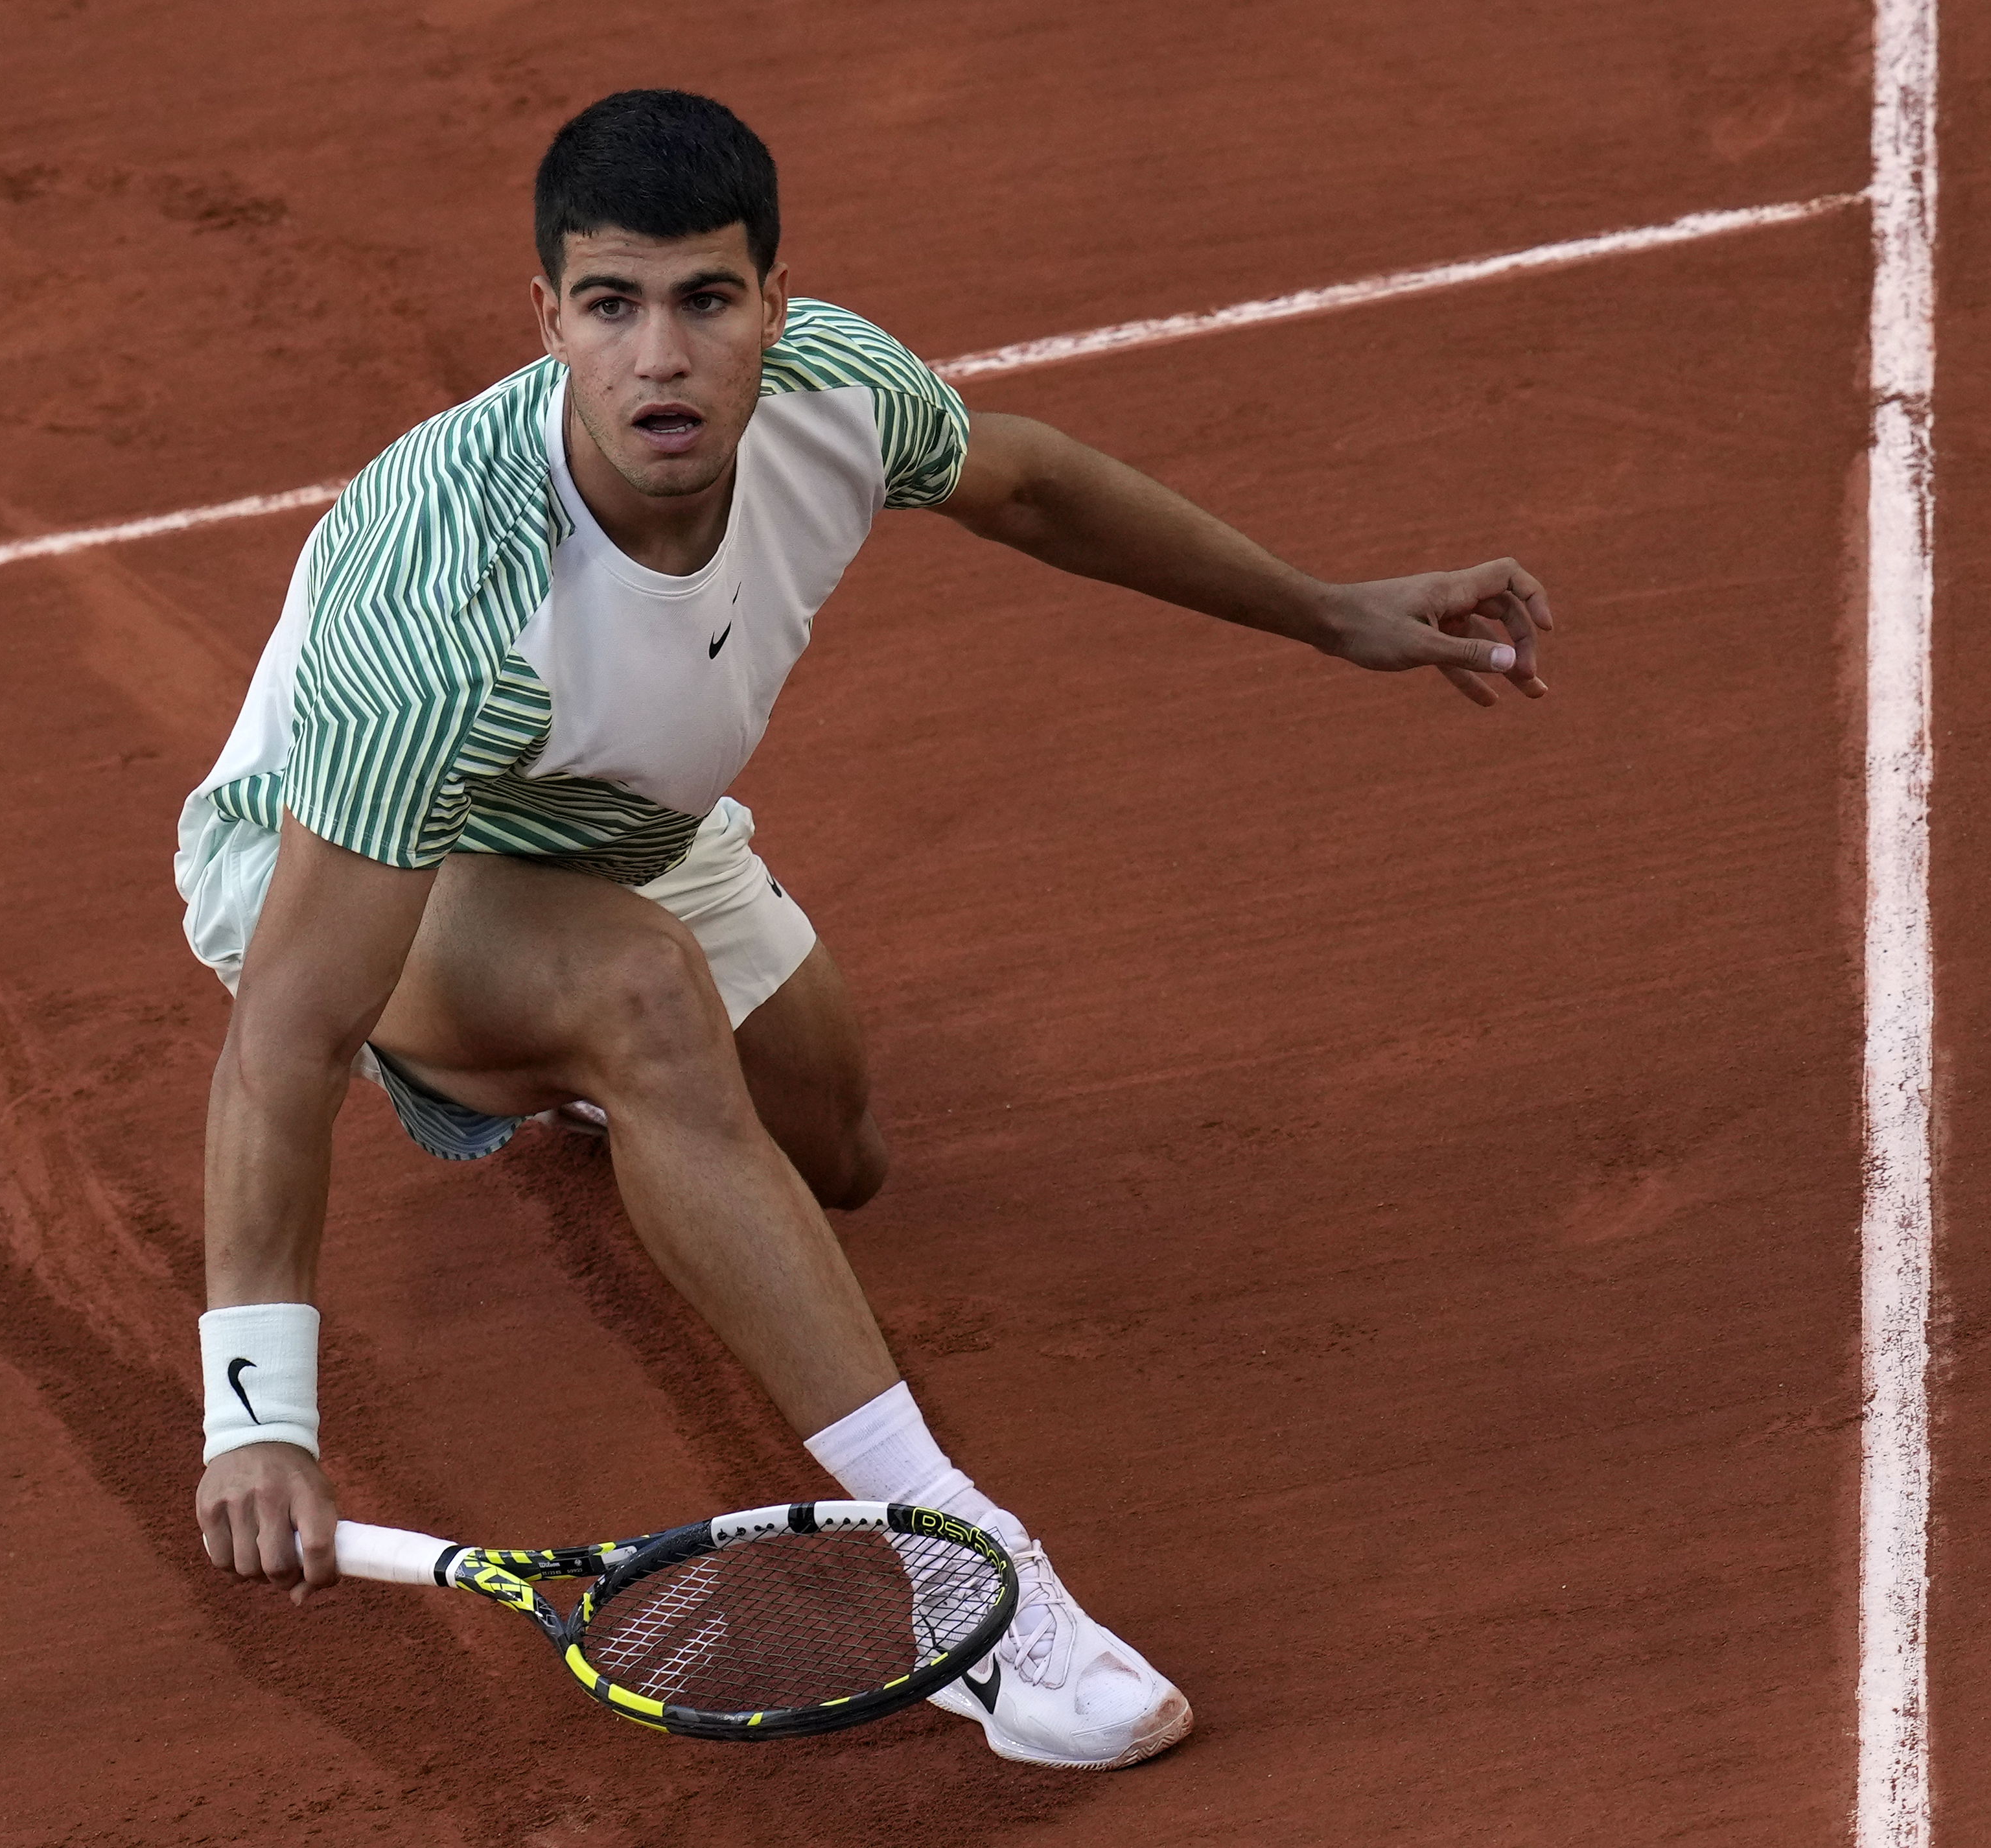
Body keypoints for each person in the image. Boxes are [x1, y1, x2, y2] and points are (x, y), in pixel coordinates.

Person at [177, 88, 1551, 1770]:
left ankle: (603, 1073)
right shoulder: (445, 619)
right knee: (644, 996)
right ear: (547, 321)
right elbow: (290, 1036)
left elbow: (1032, 485)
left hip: (621, 820)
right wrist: (261, 1413)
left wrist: (1330, 609)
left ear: (774, 300)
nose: (659, 359)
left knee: (841, 1148)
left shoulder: (841, 389)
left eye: (705, 299)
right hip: (362, 859)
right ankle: (976, 1581)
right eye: (609, 307)